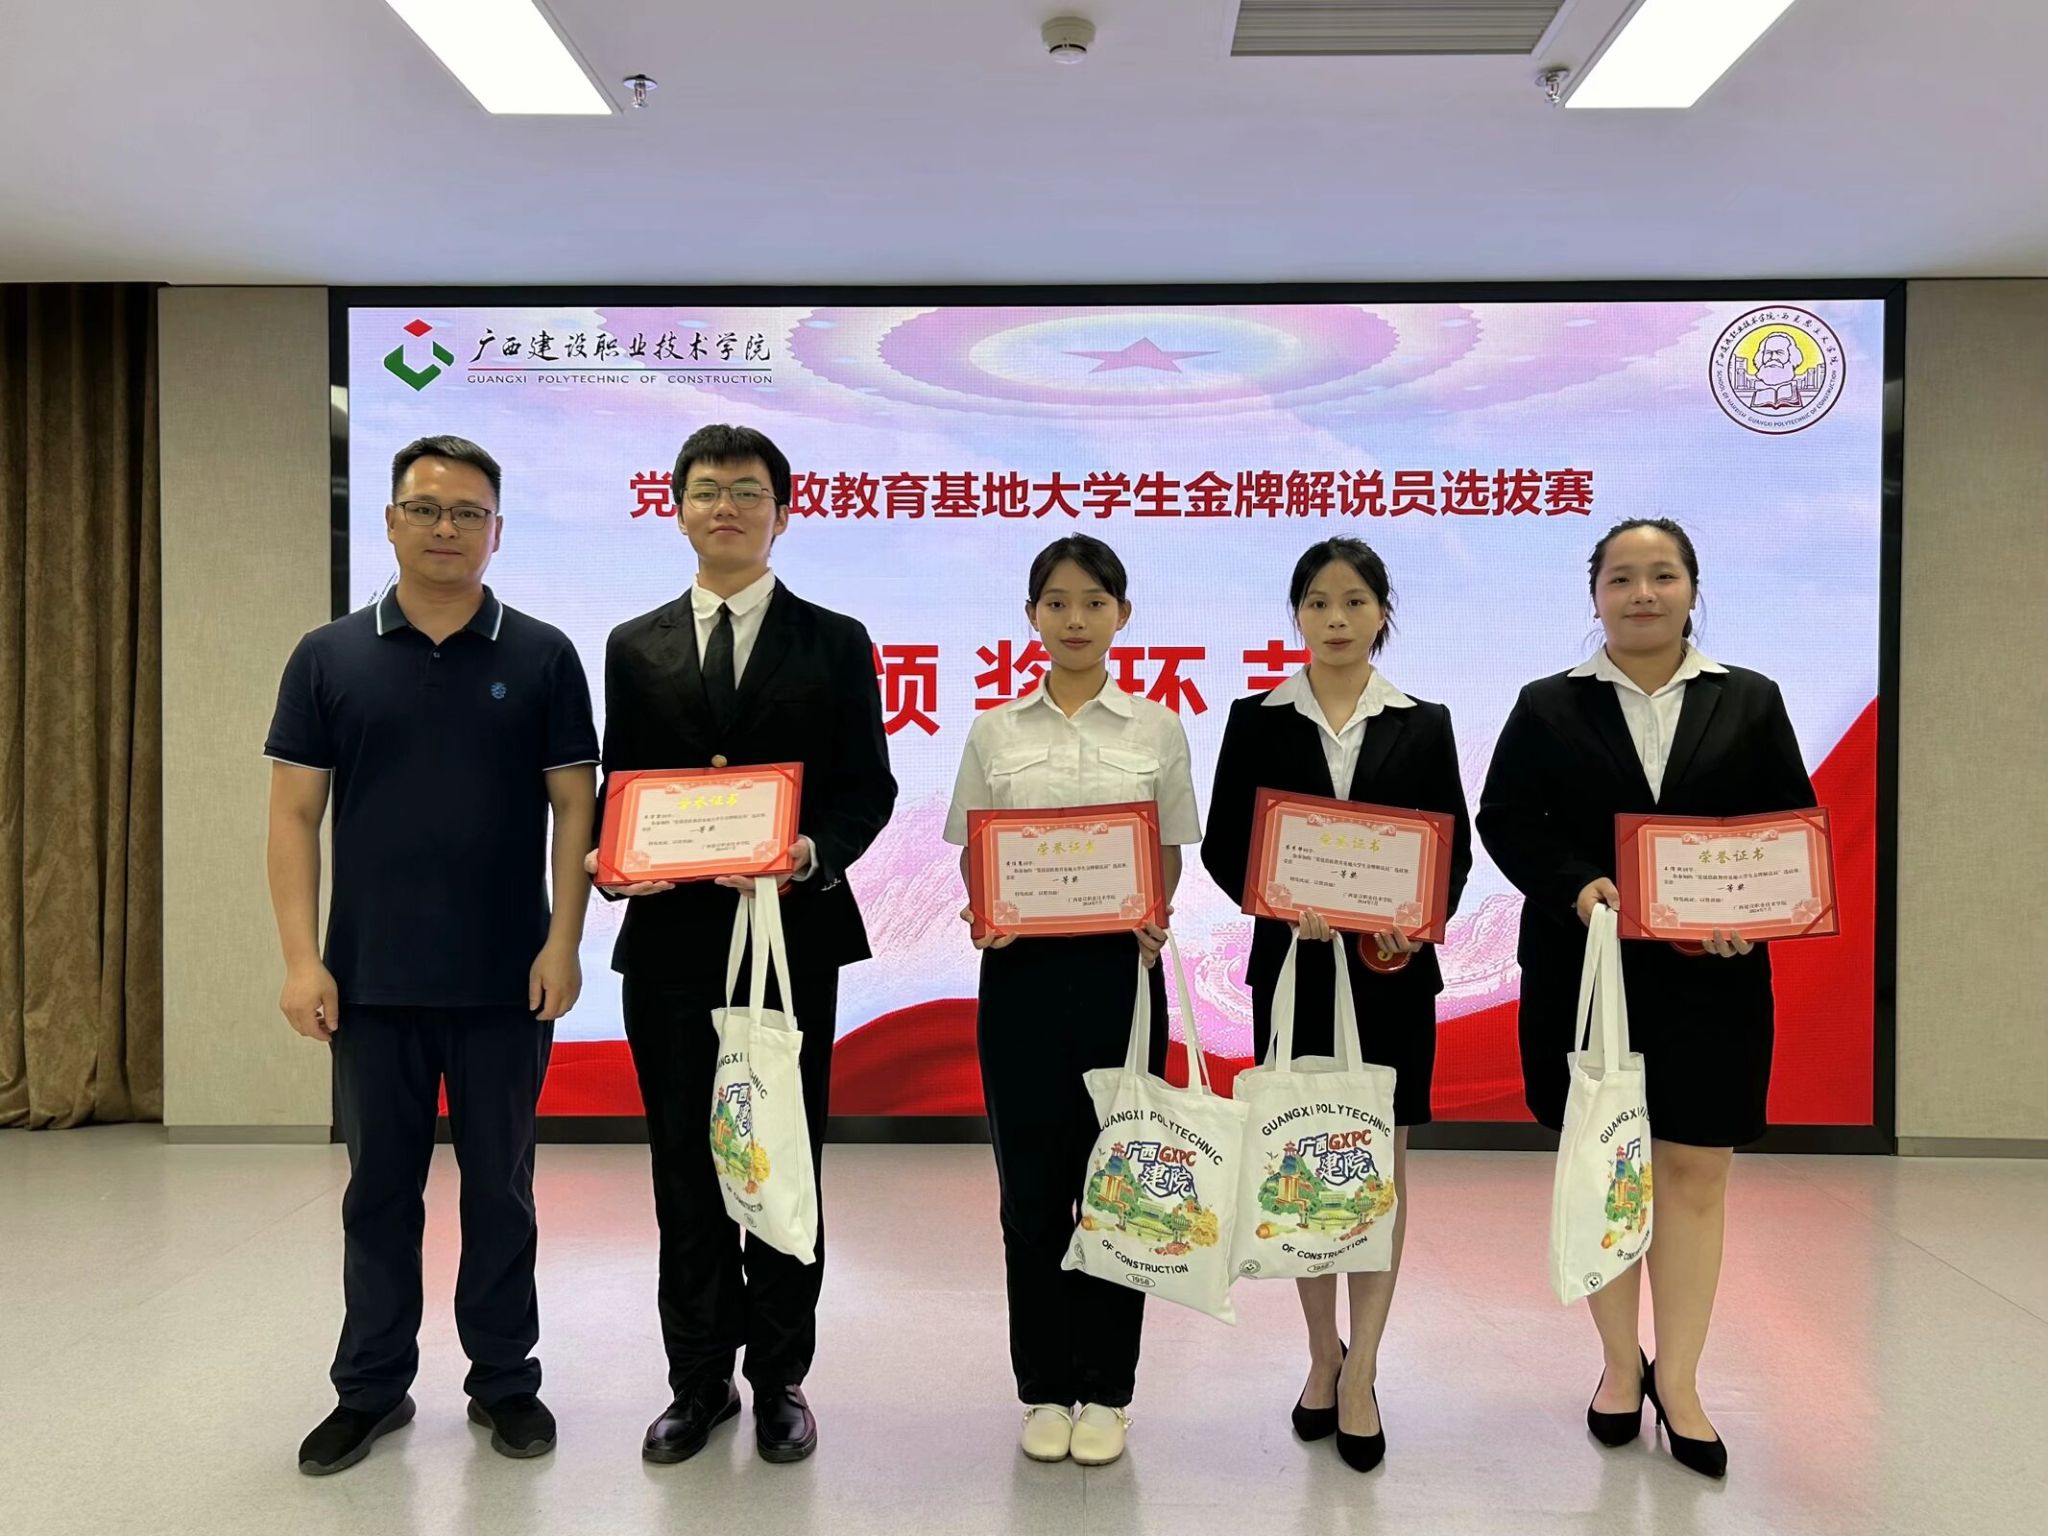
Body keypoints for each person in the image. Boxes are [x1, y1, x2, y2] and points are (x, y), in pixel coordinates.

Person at [265, 435, 599, 1475]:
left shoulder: (542, 655)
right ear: (390, 521)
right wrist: (301, 960)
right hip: (369, 980)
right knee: (378, 1192)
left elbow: (575, 810)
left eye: (467, 513)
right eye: (425, 508)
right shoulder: (327, 655)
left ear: (496, 531)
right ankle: (370, 1389)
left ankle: (505, 1383)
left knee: (501, 1191)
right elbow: (293, 814)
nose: (445, 528)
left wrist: (563, 941)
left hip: (507, 980)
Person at [1477, 517, 1816, 1480]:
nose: (1642, 594)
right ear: (1595, 596)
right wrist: (1576, 883)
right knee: (1609, 1167)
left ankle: (1684, 1381)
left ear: (1693, 588)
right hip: (1590, 971)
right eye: (1621, 578)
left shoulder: (1750, 698)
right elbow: (1506, 818)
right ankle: (1622, 1367)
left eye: (1662, 575)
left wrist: (1756, 910)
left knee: (1698, 1173)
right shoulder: (1548, 703)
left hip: (1715, 974)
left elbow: (1787, 825)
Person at [587, 423, 896, 1467]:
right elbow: (624, 787)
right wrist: (613, 858)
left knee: (780, 1156)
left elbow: (867, 786)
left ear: (781, 513)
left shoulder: (835, 639)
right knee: (684, 1165)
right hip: (671, 945)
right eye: (708, 489)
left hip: (790, 940)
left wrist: (810, 851)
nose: (727, 506)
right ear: (677, 508)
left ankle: (780, 1379)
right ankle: (697, 1379)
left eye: (748, 491)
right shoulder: (633, 645)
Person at [1200, 537, 1470, 1473]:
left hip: (1392, 978)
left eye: (1355, 601)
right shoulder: (1256, 718)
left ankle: (1366, 1372)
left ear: (1383, 612)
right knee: (1305, 1166)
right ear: (1297, 615)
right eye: (1317, 602)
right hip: (1295, 974)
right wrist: (1278, 899)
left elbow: (1449, 849)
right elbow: (1225, 845)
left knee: (1377, 1172)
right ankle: (1323, 1355)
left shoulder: (1424, 723)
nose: (1336, 618)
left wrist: (1414, 923)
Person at [943, 534, 1200, 1469]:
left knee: (1120, 1185)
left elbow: (1165, 850)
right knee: (1032, 1191)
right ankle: (1045, 1386)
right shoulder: (995, 731)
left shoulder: (1156, 729)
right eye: (1056, 602)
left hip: (1121, 978)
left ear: (1122, 615)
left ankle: (1110, 1390)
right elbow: (976, 845)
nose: (1075, 619)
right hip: (1019, 976)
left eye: (1094, 602)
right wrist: (986, 910)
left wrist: (1152, 912)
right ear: (1032, 617)